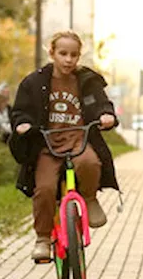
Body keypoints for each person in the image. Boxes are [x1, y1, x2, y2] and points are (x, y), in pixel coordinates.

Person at [9, 30, 121, 262]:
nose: (68, 60)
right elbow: (21, 110)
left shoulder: (87, 81)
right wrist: (22, 124)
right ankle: (42, 238)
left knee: (90, 163)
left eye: (74, 55)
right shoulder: (35, 82)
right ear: (52, 53)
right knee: (45, 189)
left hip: (79, 139)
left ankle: (89, 198)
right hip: (47, 143)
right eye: (63, 54)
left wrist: (106, 115)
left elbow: (101, 104)